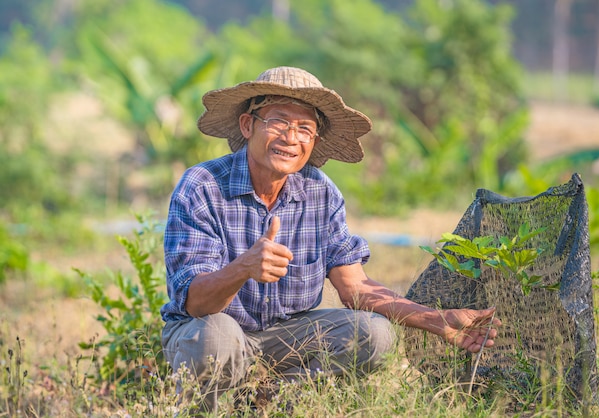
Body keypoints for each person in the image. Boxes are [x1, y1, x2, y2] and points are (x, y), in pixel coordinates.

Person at [160, 66, 501, 413]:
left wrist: (438, 320)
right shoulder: (202, 186)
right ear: (248, 125)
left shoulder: (320, 192)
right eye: (278, 121)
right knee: (215, 336)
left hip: (287, 338)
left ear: (314, 142)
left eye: (304, 128)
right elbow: (196, 304)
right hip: (211, 332)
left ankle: (271, 400)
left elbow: (355, 288)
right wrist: (243, 267)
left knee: (375, 334)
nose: (291, 137)